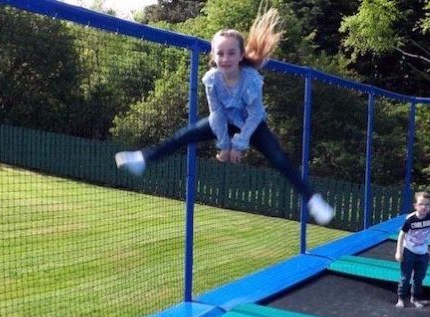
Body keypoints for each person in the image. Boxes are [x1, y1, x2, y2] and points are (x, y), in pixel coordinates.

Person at [114, 8, 335, 225]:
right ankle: (143, 159)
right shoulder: (211, 79)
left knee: (278, 158)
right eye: (220, 53)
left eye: (231, 53)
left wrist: (239, 145)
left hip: (251, 125)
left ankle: (313, 200)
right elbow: (217, 113)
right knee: (184, 135)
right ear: (213, 56)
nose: (225, 58)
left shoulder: (251, 79)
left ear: (241, 55)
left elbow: (255, 114)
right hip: (223, 122)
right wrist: (224, 145)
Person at [394, 191, 430, 308]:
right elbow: (401, 235)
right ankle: (401, 298)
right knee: (405, 276)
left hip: (423, 252)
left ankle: (415, 298)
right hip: (409, 251)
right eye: (421, 204)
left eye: (427, 204)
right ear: (415, 206)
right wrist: (399, 251)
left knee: (419, 277)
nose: (424, 207)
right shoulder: (411, 219)